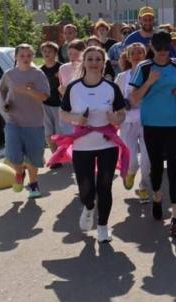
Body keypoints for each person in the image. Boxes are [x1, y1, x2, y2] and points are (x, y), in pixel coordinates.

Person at [60, 46, 127, 243]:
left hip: (107, 143)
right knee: (86, 188)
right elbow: (63, 113)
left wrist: (116, 117)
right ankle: (89, 207)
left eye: (98, 59)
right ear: (84, 62)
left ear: (104, 62)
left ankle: (103, 227)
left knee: (105, 186)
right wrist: (76, 119)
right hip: (82, 144)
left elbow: (121, 113)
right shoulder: (74, 88)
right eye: (90, 59)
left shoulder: (111, 87)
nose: (94, 62)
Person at [130, 30, 176, 237]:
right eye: (159, 48)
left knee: (174, 170)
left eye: (167, 48)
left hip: (175, 123)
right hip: (152, 124)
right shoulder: (145, 68)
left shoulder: (175, 64)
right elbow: (134, 98)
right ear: (152, 47)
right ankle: (156, 196)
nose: (163, 52)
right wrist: (149, 82)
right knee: (156, 167)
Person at [0, 44, 52, 198]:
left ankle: (34, 184)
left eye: (29, 56)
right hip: (13, 120)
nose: (26, 59)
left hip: (34, 122)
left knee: (34, 156)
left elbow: (44, 96)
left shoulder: (38, 75)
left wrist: (29, 91)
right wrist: (4, 103)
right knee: (13, 153)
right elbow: (2, 90)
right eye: (22, 56)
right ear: (15, 57)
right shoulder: (9, 74)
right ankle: (18, 173)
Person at [117, 43, 151, 203]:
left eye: (140, 53)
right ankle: (130, 172)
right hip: (127, 123)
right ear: (128, 57)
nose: (137, 55)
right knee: (132, 161)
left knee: (147, 161)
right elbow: (114, 99)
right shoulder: (122, 77)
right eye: (133, 53)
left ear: (145, 56)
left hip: (147, 122)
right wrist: (122, 103)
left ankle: (143, 187)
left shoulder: (151, 75)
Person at [39, 41, 66, 159]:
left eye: (49, 51)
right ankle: (55, 156)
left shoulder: (61, 68)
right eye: (44, 51)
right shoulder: (40, 70)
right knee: (48, 133)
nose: (47, 53)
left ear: (55, 53)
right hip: (45, 104)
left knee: (60, 132)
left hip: (60, 104)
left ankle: (62, 154)